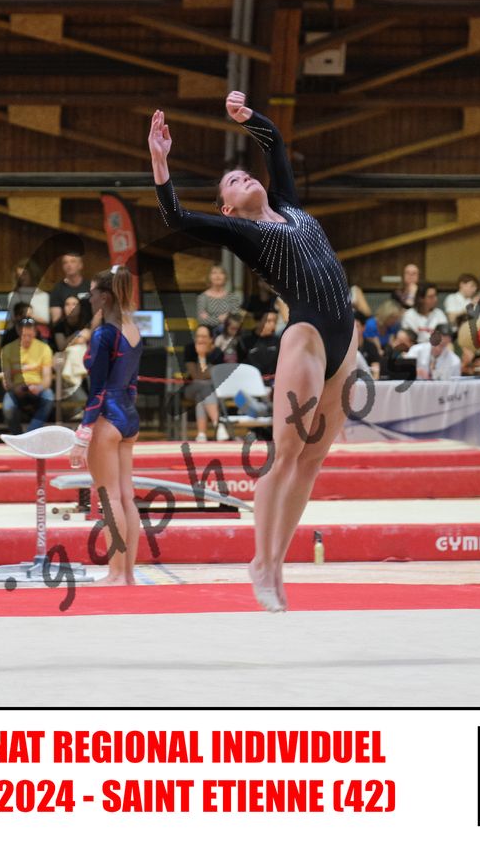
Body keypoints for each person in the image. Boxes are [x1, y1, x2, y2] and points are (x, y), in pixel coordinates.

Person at [152, 91, 359, 611]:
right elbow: (176, 217)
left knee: (312, 461)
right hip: (308, 337)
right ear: (227, 207)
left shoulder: (289, 206)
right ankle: (260, 561)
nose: (243, 177)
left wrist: (248, 118)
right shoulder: (245, 233)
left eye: (244, 174)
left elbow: (275, 145)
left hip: (346, 337)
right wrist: (160, 162)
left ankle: (278, 562)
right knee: (286, 456)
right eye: (232, 182)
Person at [69, 266, 143, 586]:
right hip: (128, 415)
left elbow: (97, 390)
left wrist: (83, 433)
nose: (89, 299)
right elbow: (133, 382)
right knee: (126, 496)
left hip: (107, 418)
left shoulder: (103, 335)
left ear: (105, 296)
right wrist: (126, 414)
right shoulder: (133, 329)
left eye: (92, 293)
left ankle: (115, 572)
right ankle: (128, 573)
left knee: (110, 497)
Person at [0, 317, 55, 434]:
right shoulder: (7, 349)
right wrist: (14, 388)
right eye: (24, 335)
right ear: (18, 332)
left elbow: (47, 378)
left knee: (49, 396)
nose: (27, 338)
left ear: (35, 332)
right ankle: (17, 435)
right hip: (17, 388)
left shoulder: (44, 349)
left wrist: (39, 387)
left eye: (30, 335)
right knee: (8, 406)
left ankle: (31, 432)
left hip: (37, 388)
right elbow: (6, 380)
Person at [183, 324, 228, 442]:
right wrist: (201, 356)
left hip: (211, 389)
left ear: (211, 339)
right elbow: (196, 376)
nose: (200, 340)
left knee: (202, 394)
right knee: (204, 387)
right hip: (191, 388)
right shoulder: (190, 349)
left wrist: (202, 357)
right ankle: (218, 424)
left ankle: (201, 434)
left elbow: (210, 375)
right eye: (198, 336)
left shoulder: (217, 352)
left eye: (203, 337)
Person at [49, 249, 92, 325]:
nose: (69, 265)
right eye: (65, 262)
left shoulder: (90, 286)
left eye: (73, 261)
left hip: (89, 328)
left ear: (80, 265)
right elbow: (56, 319)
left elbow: (97, 313)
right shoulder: (58, 289)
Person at [196, 263, 242, 332]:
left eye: (221, 273)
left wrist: (209, 318)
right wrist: (220, 319)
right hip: (209, 333)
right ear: (209, 277)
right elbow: (202, 320)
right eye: (214, 273)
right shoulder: (203, 297)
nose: (217, 276)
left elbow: (236, 319)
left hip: (228, 333)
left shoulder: (232, 297)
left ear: (225, 277)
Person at [6, 261, 51, 326]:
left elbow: (46, 320)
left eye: (24, 274)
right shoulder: (13, 295)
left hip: (38, 330)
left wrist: (31, 316)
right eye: (19, 275)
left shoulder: (44, 296)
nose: (22, 278)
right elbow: (12, 320)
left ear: (33, 274)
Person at [243, 310, 281, 378]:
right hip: (252, 381)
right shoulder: (244, 342)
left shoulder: (278, 341)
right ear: (257, 322)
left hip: (274, 381)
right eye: (269, 321)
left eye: (274, 321)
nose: (273, 324)